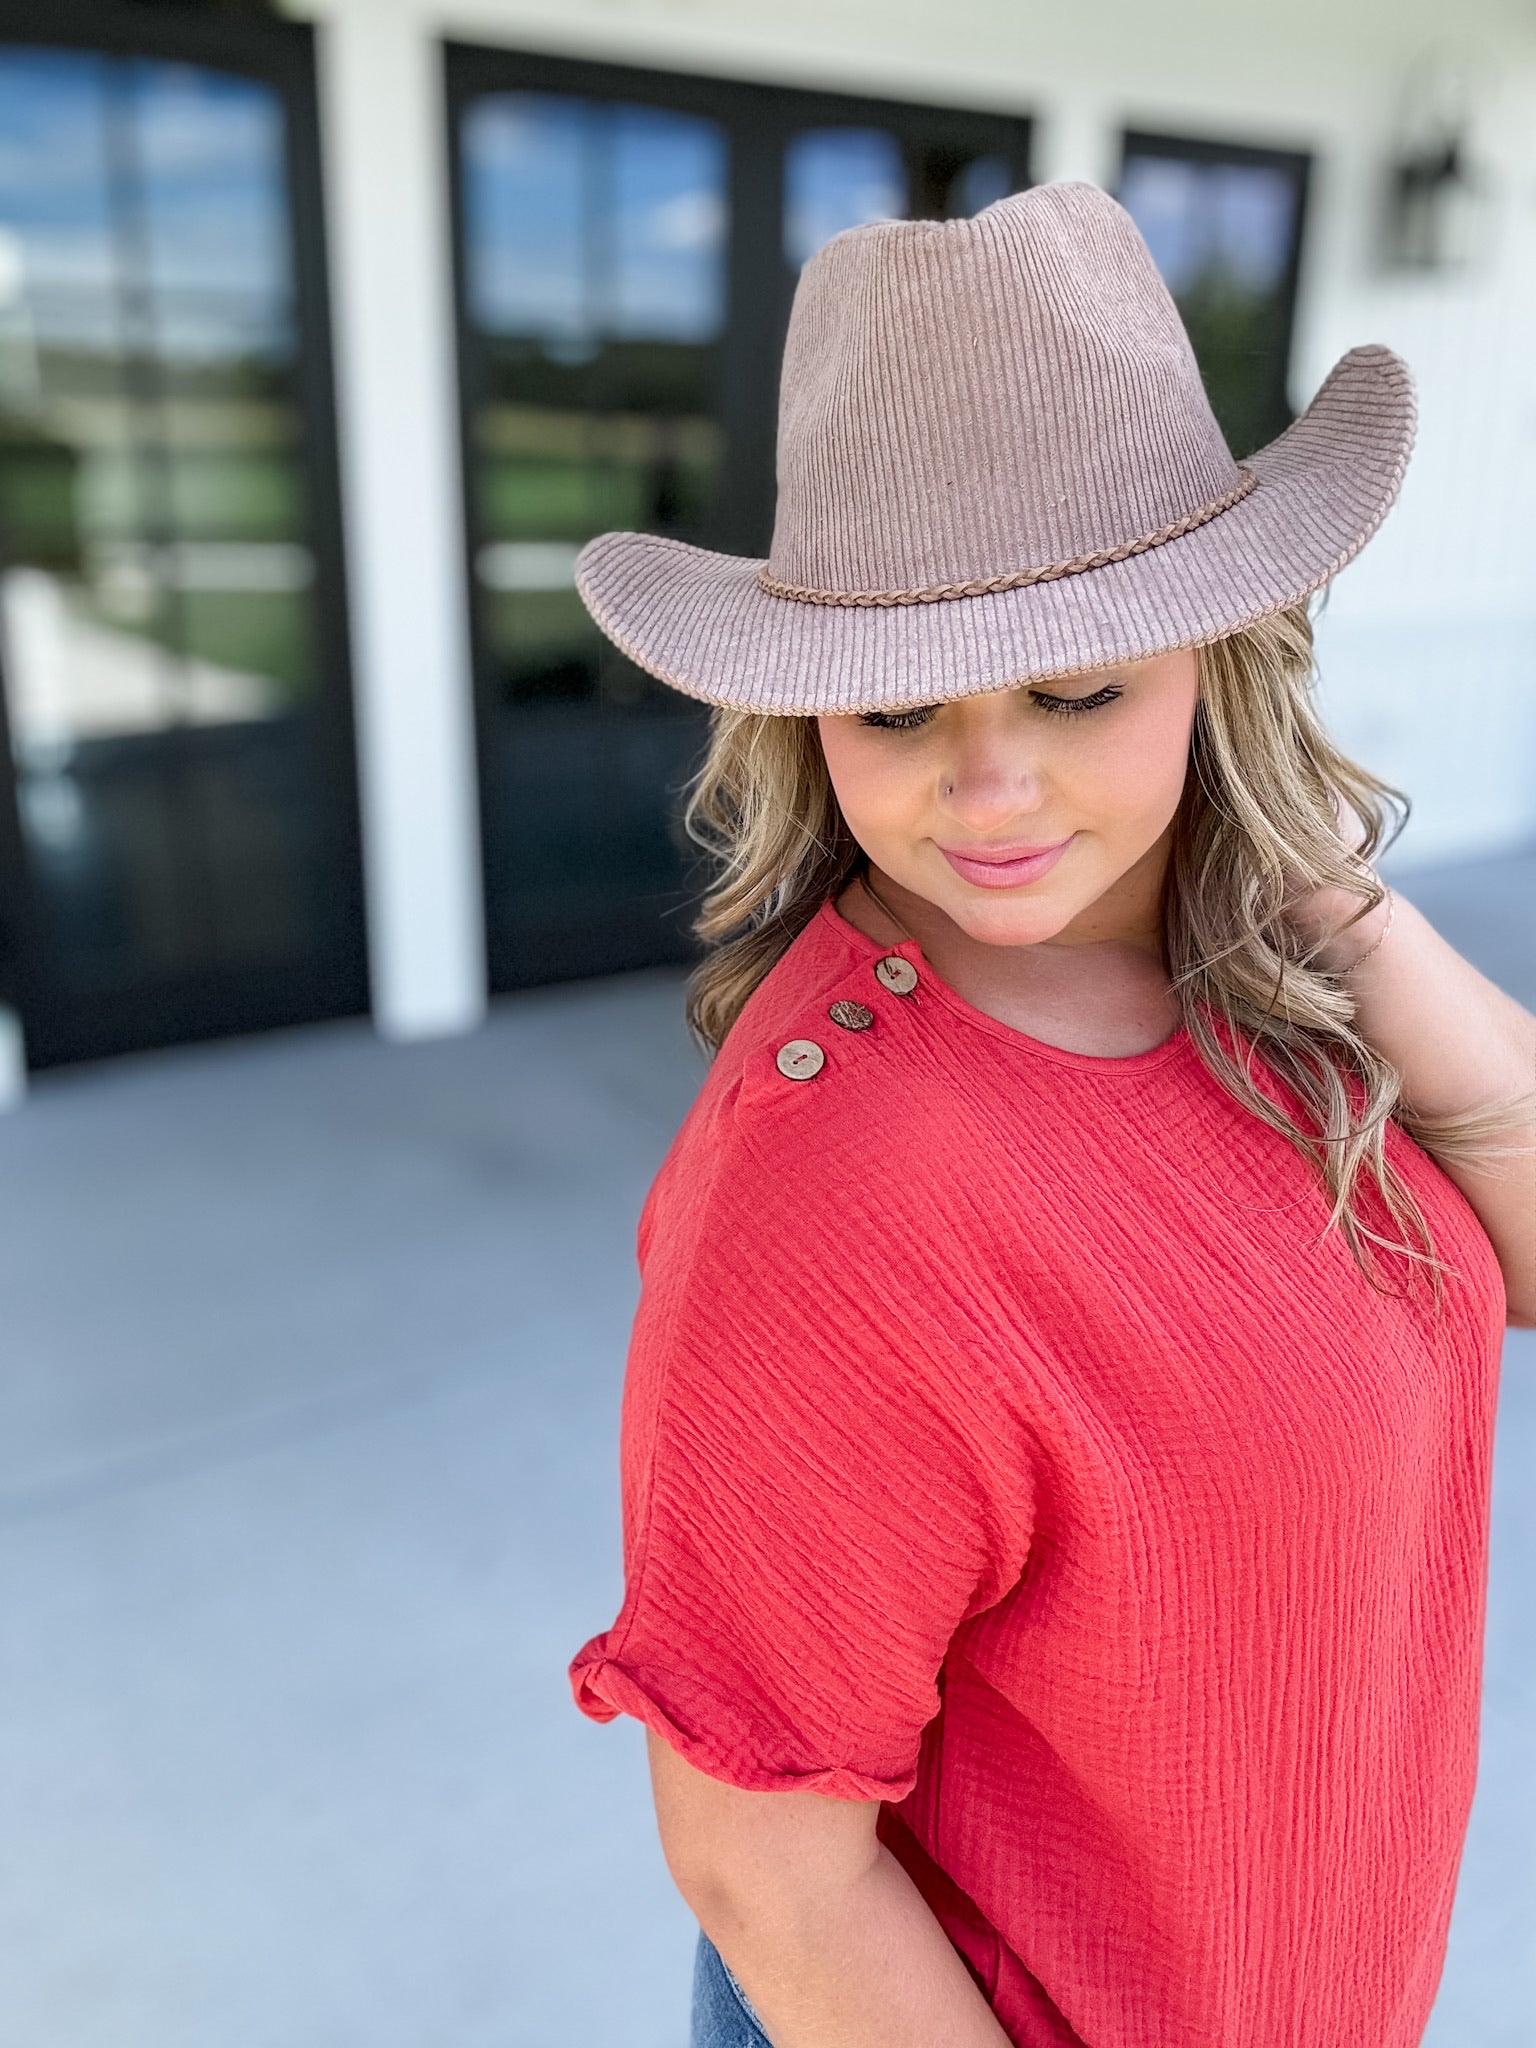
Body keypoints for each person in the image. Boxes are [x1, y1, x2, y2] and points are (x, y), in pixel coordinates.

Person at [566, 183, 1536, 2048]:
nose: (989, 789)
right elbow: (765, 1868)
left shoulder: (1262, 972)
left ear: (1219, 658)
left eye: (1079, 683)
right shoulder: (832, 1202)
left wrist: (1324, 900)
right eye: (899, 711)